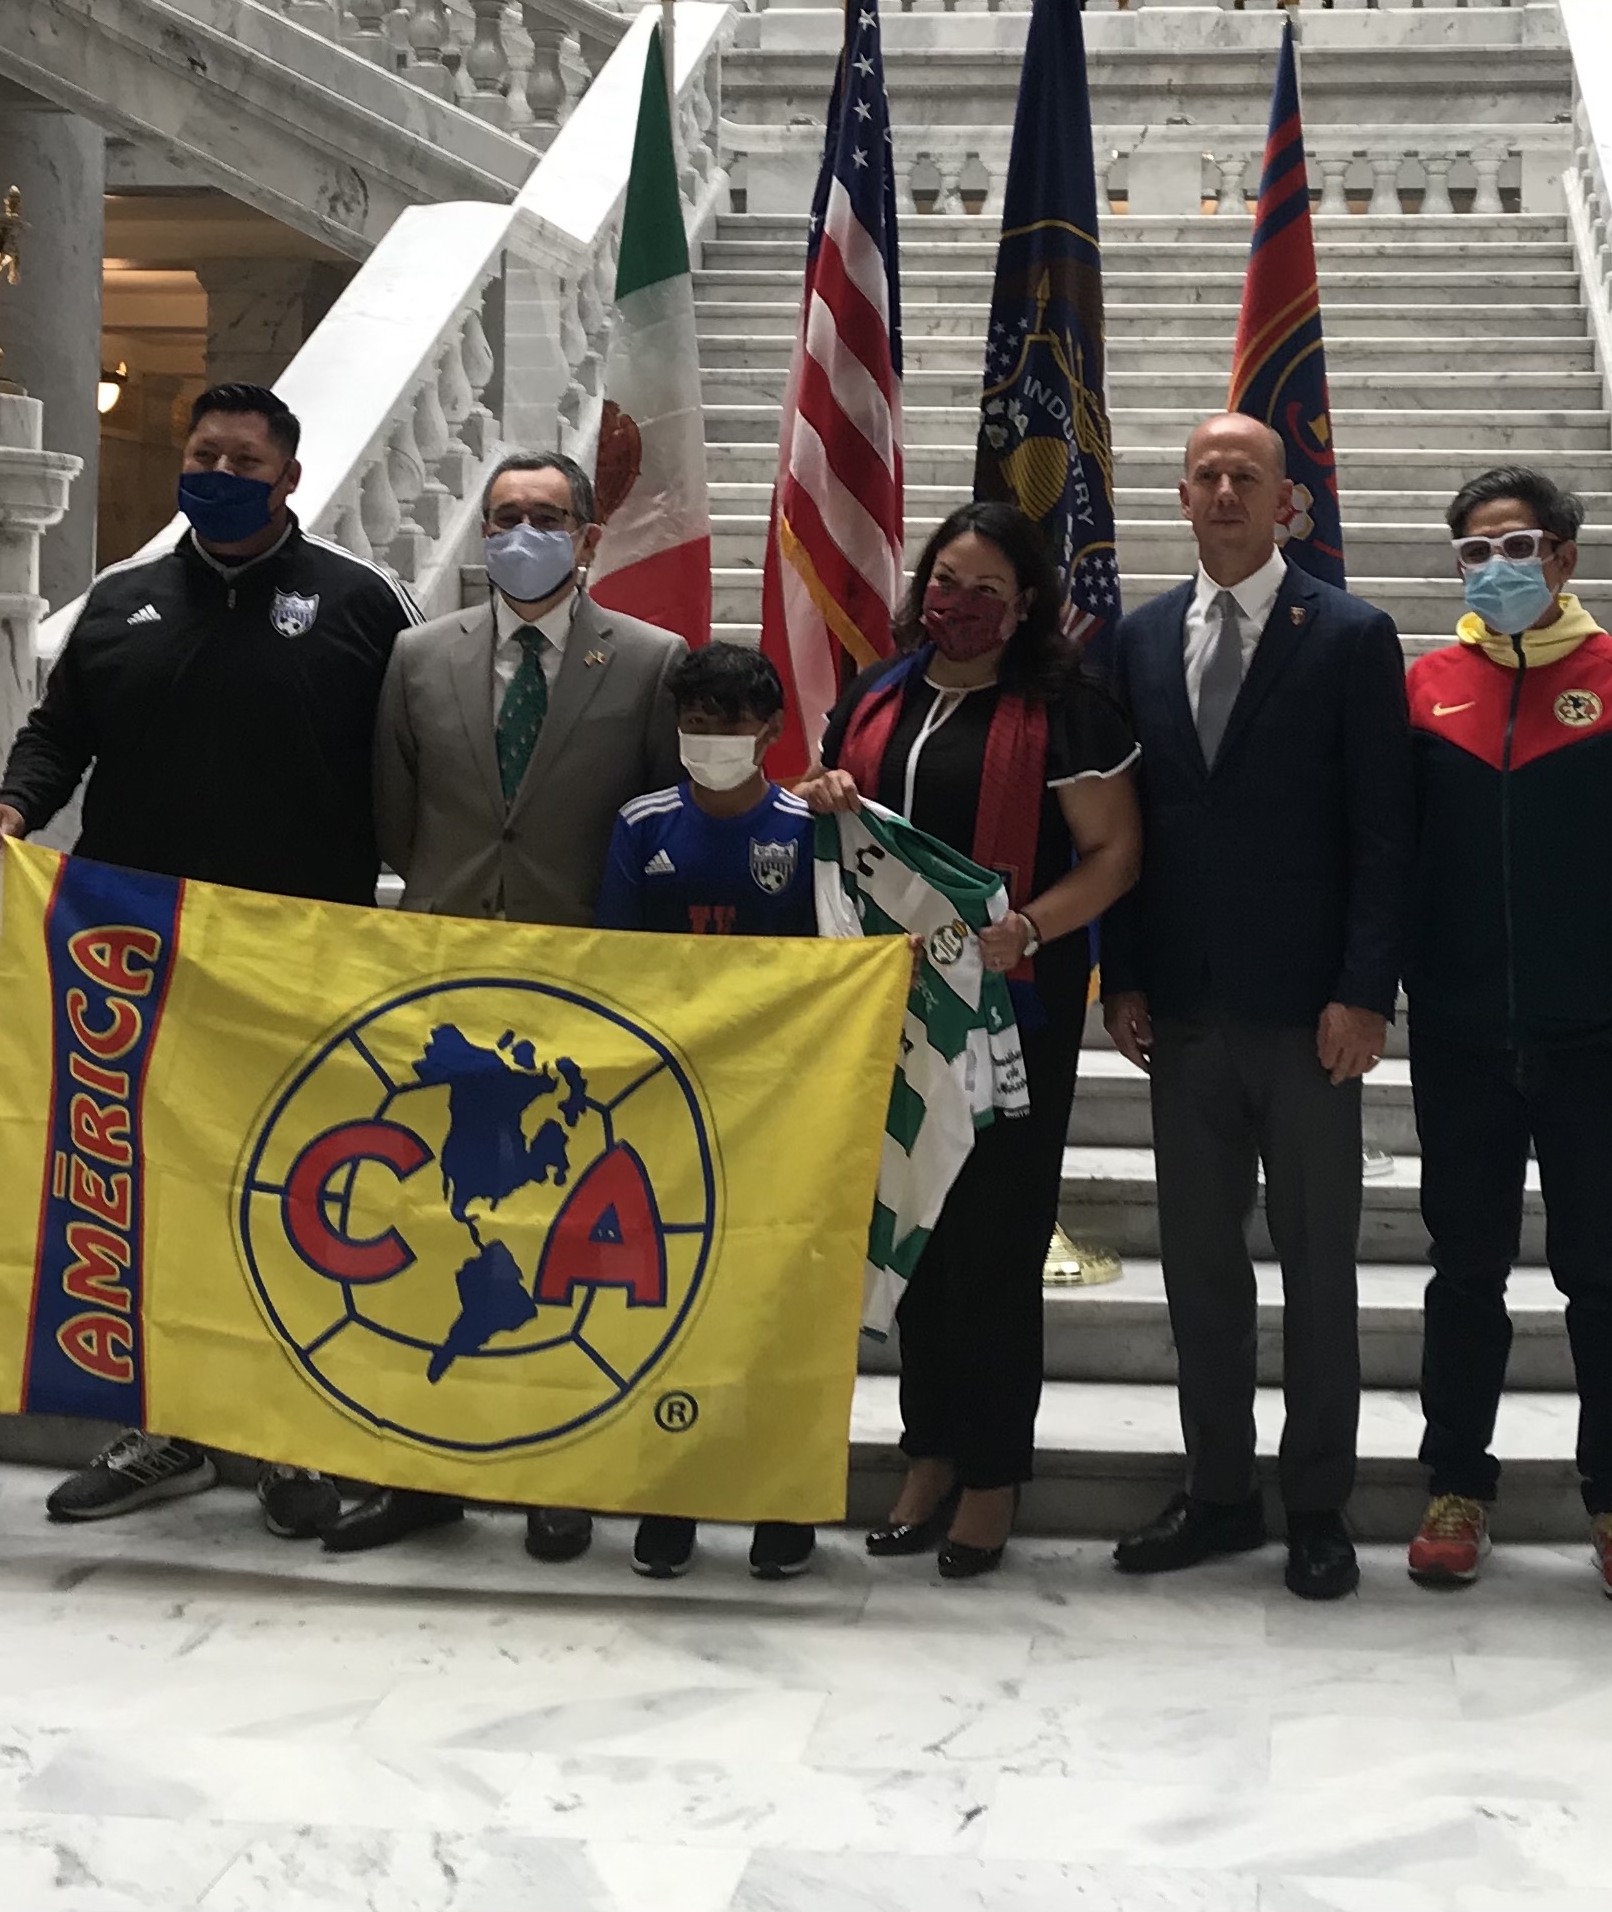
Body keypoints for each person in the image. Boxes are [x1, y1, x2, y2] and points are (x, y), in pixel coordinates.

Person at [0, 379, 416, 1539]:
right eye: (203, 451)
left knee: (290, 1192)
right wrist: (18, 808)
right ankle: (162, 1424)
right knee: (154, 1196)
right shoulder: (121, 604)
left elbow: (419, 760)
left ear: (288, 478)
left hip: (299, 963)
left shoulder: (365, 604)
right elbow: (59, 733)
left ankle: (279, 1435)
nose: (219, 471)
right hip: (140, 959)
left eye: (244, 458)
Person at [328, 448, 686, 1564]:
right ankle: (420, 1474)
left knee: (554, 1245)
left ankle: (553, 1474)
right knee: (429, 1233)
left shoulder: (652, 660)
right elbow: (398, 817)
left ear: (586, 537)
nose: (519, 532)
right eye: (503, 515)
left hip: (580, 1009)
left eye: (545, 515)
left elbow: (662, 821)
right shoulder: (414, 656)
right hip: (442, 993)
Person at [791, 500, 1141, 1580]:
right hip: (879, 1015)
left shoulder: (1067, 709)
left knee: (991, 1246)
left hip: (1007, 1019)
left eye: (988, 590)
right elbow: (822, 822)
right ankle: (929, 1453)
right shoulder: (873, 694)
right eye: (946, 581)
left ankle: (993, 1473)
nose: (961, 604)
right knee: (914, 1237)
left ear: (1027, 602)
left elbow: (1116, 853)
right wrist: (823, 792)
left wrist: (1028, 926)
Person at [1101, 412, 1409, 1602]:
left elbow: (1384, 835)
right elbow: (1123, 827)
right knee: (1199, 1270)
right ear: (1181, 497)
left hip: (1308, 1018)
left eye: (1249, 474)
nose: (1225, 489)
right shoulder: (1132, 642)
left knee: (1319, 1268)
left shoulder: (1346, 634)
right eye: (1206, 474)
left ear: (1288, 501)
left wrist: (1361, 992)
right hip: (1181, 1011)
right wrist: (1122, 975)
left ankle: (1317, 1503)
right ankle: (1219, 1489)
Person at [1398, 466, 1612, 1602]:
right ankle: (1455, 1487)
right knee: (1463, 1272)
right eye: (1475, 549)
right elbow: (1398, 862)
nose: (1496, 567)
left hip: (1599, 1042)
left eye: (1518, 545)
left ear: (1565, 556)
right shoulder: (1423, 688)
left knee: (1601, 1276)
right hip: (1464, 1036)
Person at [596, 641, 825, 1582]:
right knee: (668, 1299)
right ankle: (672, 1493)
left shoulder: (807, 827)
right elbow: (612, 962)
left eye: (729, 723)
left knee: (777, 1304)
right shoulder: (639, 824)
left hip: (778, 1103)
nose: (709, 738)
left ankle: (779, 1496)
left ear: (769, 731)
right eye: (694, 721)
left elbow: (831, 966)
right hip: (664, 1108)